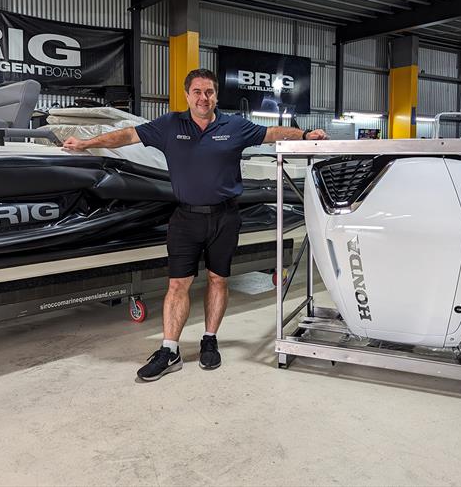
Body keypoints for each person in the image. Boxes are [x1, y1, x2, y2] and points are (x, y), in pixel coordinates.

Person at [62, 68, 328, 381]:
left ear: (216, 95)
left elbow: (272, 134)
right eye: (198, 92)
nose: (204, 98)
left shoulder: (235, 126)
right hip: (185, 218)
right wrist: (85, 143)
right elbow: (127, 136)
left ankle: (209, 340)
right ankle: (169, 349)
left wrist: (306, 135)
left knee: (218, 280)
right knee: (177, 283)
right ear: (187, 95)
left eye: (210, 92)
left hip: (225, 217)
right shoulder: (169, 125)